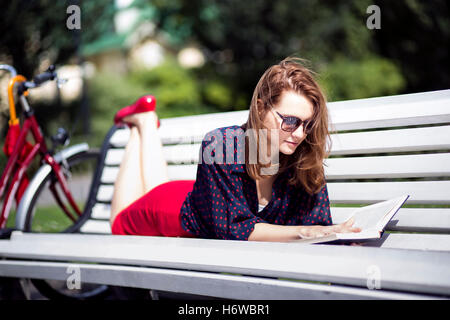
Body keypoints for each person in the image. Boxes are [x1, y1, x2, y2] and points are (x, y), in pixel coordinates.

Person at [110, 57, 361, 242]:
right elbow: (233, 229)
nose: (299, 133)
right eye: (290, 120)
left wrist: (340, 237)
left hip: (210, 194)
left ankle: (145, 121)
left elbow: (319, 224)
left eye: (307, 124)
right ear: (261, 108)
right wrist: (305, 232)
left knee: (156, 184)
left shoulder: (302, 156)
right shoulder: (222, 145)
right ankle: (140, 123)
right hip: (167, 209)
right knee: (119, 224)